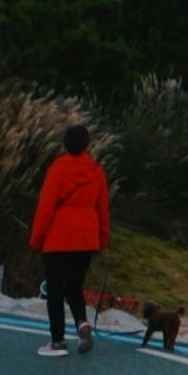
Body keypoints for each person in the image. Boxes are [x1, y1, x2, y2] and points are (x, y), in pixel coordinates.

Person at [28, 124, 111, 358]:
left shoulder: (58, 169)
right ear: (87, 144)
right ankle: (82, 323)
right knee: (74, 285)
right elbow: (103, 208)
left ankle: (57, 340)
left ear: (65, 144)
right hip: (86, 237)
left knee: (54, 289)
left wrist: (37, 238)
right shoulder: (96, 171)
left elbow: (46, 207)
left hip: (59, 236)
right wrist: (103, 238)